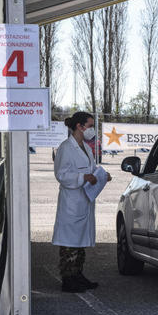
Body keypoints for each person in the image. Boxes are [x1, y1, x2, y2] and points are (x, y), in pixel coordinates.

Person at [53, 112, 111, 293]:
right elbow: (61, 175)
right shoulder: (66, 148)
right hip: (71, 202)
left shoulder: (85, 147)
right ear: (79, 126)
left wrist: (101, 176)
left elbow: (91, 168)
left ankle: (78, 274)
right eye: (90, 126)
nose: (92, 130)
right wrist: (82, 177)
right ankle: (68, 279)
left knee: (80, 242)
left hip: (84, 200)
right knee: (70, 243)